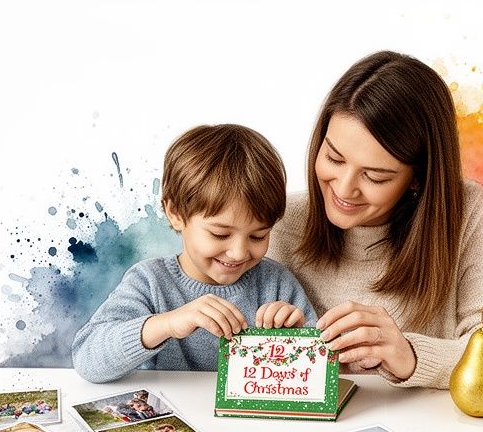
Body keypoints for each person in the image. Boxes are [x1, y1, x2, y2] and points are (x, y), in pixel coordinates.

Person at [267, 50, 483, 390]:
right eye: (333, 158)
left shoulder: (464, 211)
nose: (344, 188)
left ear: (418, 178)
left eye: (375, 177)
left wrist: (412, 356)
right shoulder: (278, 220)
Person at [72, 124, 318, 384]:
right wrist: (166, 324)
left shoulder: (275, 283)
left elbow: (319, 373)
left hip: (252, 422)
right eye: (220, 234)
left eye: (258, 236)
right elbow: (88, 361)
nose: (238, 253)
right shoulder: (150, 281)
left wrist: (297, 339)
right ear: (176, 213)